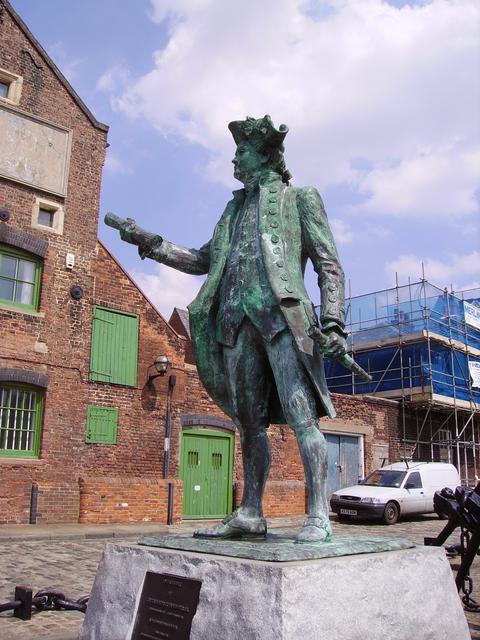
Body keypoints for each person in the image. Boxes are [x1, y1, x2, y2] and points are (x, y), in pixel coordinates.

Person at [119, 115, 347, 542]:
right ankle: (250, 512)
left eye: (241, 151)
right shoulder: (232, 210)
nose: (234, 158)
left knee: (302, 418)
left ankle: (318, 514)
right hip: (236, 324)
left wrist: (334, 321)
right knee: (249, 424)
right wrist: (151, 243)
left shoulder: (300, 199)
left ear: (264, 156)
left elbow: (328, 265)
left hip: (283, 323)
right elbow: (203, 261)